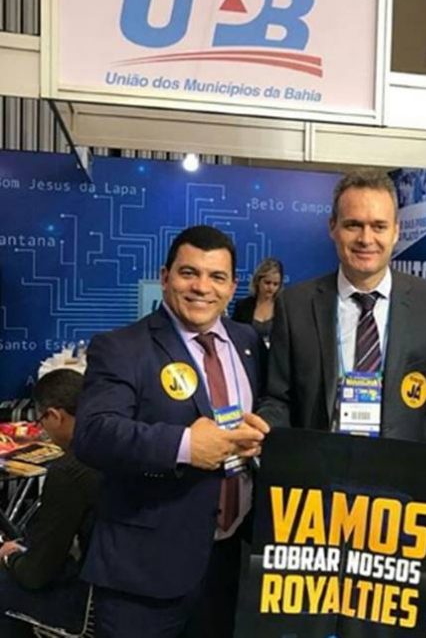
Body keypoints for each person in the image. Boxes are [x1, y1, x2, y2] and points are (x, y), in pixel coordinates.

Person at [72, 225, 270, 638]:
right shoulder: (122, 347)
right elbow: (93, 433)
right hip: (143, 573)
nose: (202, 287)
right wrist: (185, 446)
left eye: (217, 277)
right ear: (165, 277)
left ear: (232, 287)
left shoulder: (247, 341)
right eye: (188, 273)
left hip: (227, 561)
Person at [256, 169, 426, 475]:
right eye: (353, 225)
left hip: (401, 479)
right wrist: (266, 429)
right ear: (332, 227)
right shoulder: (295, 304)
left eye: (379, 226)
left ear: (396, 231)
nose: (366, 239)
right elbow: (278, 397)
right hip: (318, 478)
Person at [0, 368, 100, 637]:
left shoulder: (71, 470)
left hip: (93, 604)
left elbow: (36, 574)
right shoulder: (117, 444)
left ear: (55, 416)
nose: (43, 429)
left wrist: (10, 557)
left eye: (41, 421)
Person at [232, 258, 284, 347]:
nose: (271, 288)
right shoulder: (242, 306)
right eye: (267, 283)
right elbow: (234, 334)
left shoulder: (283, 308)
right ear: (258, 281)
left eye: (275, 284)